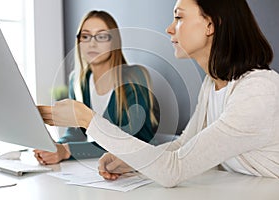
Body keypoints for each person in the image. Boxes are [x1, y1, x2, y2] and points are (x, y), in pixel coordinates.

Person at [37, 0, 279, 188]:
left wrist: (86, 119)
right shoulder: (211, 84)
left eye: (179, 17)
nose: (169, 28)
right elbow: (183, 146)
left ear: (210, 25)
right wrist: (135, 161)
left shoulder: (256, 92)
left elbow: (173, 169)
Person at [34, 10, 158, 165]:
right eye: (85, 36)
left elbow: (127, 141)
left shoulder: (134, 77)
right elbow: (75, 133)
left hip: (139, 169)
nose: (92, 43)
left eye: (101, 36)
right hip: (99, 166)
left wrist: (67, 150)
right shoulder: (78, 81)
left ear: (114, 42)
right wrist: (55, 147)